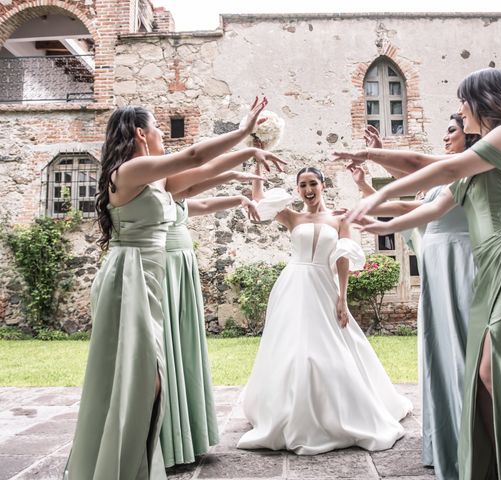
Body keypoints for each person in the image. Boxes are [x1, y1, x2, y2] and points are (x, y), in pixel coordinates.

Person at [335, 68, 501, 479]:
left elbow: (437, 166)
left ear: (485, 100)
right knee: (482, 375)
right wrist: (381, 223)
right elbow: (430, 209)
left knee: (495, 368)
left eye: (464, 100)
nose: (460, 110)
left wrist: (380, 179)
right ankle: (499, 466)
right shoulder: (481, 159)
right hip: (490, 265)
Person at [64, 97, 284, 479]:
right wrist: (243, 131)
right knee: (142, 380)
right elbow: (195, 155)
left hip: (149, 278)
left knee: (151, 380)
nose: (163, 134)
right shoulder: (130, 170)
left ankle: (137, 463)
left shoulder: (155, 178)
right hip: (129, 279)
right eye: (158, 128)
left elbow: (205, 169)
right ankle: (124, 466)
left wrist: (248, 152)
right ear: (140, 134)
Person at [236, 164, 412, 455]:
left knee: (333, 346)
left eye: (312, 184)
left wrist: (342, 297)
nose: (308, 190)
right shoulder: (292, 216)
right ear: (297, 189)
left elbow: (342, 259)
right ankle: (288, 409)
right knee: (294, 347)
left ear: (323, 185)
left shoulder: (339, 218)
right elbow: (260, 205)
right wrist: (257, 164)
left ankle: (339, 410)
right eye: (302, 185)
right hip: (293, 285)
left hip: (323, 284)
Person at [346, 116, 477, 479]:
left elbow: (418, 173)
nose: (446, 135)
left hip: (460, 264)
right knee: (440, 352)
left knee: (461, 354)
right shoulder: (446, 175)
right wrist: (365, 192)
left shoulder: (469, 169)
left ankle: (471, 442)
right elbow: (410, 194)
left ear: (472, 135)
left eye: (453, 130)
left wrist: (375, 155)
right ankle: (446, 442)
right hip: (436, 268)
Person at [160, 148, 281, 468]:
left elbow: (196, 204)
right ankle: (170, 437)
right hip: (166, 267)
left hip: (181, 267)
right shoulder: (160, 182)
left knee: (185, 353)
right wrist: (237, 168)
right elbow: (199, 169)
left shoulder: (174, 195)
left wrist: (238, 198)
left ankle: (187, 434)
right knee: (171, 351)